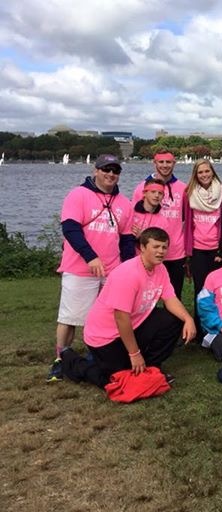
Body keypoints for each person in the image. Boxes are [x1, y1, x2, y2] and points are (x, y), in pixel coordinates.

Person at [56, 227, 196, 388]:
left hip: (134, 325)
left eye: (164, 247)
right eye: (155, 247)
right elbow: (121, 317)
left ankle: (151, 367)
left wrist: (188, 319)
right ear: (142, 248)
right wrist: (134, 354)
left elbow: (170, 299)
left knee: (173, 319)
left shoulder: (161, 269)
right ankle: (71, 360)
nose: (161, 252)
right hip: (104, 336)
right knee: (115, 380)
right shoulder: (128, 274)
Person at [48, 154, 134, 381]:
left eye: (115, 170)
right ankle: (60, 358)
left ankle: (96, 355)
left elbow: (126, 240)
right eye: (106, 169)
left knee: (107, 317)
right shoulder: (78, 195)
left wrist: (126, 269)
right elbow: (71, 230)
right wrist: (91, 257)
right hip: (80, 269)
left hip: (112, 271)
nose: (111, 174)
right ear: (95, 170)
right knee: (70, 317)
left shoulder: (124, 203)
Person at [132, 150, 187, 298]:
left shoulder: (183, 188)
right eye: (161, 162)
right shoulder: (141, 188)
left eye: (168, 162)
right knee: (146, 295)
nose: (165, 165)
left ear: (174, 163)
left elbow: (186, 218)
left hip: (175, 251)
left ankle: (175, 321)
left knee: (174, 295)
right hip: (148, 253)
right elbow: (135, 215)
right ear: (154, 163)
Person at [183, 159, 222, 328]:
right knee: (201, 290)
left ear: (212, 172)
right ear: (195, 175)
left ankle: (218, 325)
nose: (204, 175)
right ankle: (199, 327)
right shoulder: (190, 193)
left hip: (216, 249)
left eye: (207, 171)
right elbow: (185, 221)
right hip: (198, 249)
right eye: (200, 172)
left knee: (218, 289)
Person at [131, 179, 170, 249]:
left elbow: (161, 246)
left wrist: (143, 236)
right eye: (153, 192)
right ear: (144, 193)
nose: (157, 195)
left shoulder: (164, 221)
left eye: (160, 193)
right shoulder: (131, 214)